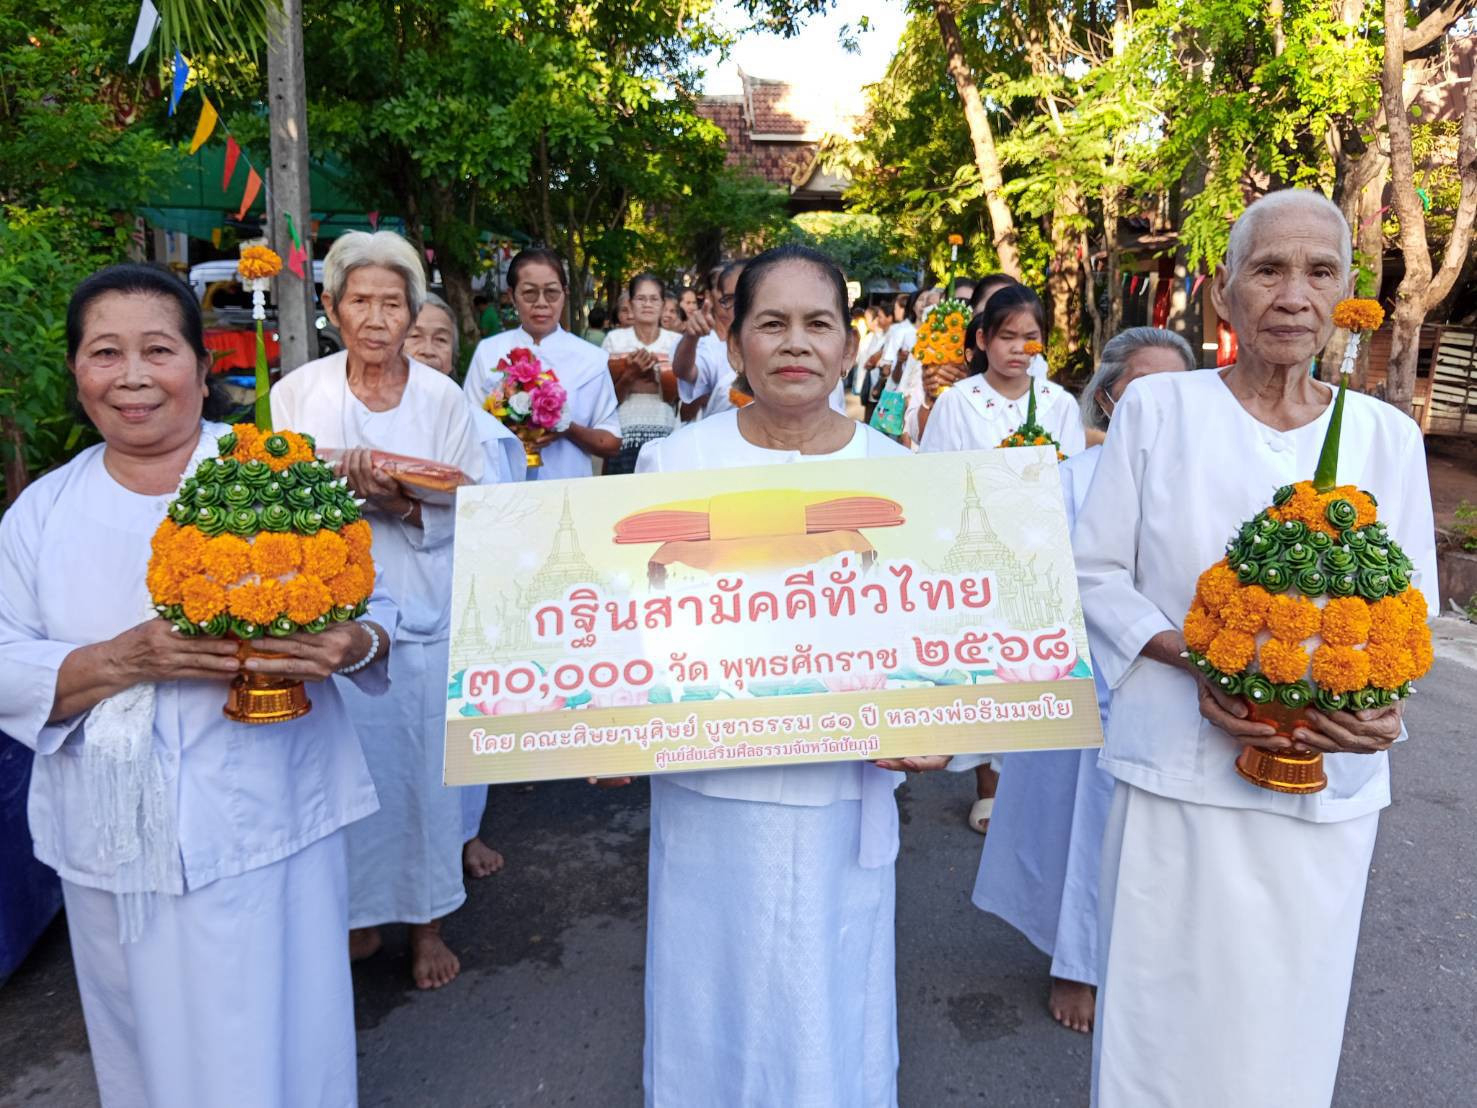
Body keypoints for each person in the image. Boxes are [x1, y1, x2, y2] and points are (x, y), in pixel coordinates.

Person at [1075, 190, 1437, 1106]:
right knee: (1159, 1024)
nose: (1292, 294)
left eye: (1318, 272)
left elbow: (1412, 612)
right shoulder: (1159, 410)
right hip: (1178, 778)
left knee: (1287, 1029)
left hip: (1327, 787)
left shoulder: (1387, 439)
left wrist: (1376, 707)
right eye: (1268, 269)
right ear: (1222, 292)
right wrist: (1195, 655)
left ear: (1346, 292)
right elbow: (1092, 575)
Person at [0, 264, 393, 1106]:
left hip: (271, 823)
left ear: (202, 366)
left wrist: (350, 640)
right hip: (115, 841)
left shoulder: (277, 478)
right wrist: (121, 661)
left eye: (158, 350)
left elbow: (385, 614)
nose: (133, 377)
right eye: (106, 353)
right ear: (77, 371)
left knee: (285, 1040)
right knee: (145, 1053)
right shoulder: (42, 511)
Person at [633, 245, 964, 1105]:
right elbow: (631, 637)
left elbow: (943, 644)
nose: (795, 343)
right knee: (707, 1006)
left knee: (831, 1015)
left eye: (817, 324)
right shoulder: (673, 469)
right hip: (708, 799)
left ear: (848, 347)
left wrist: (941, 736)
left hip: (841, 803)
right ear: (733, 341)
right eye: (770, 323)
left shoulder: (900, 475)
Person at [272, 230, 484, 992]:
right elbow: (282, 499)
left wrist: (397, 502)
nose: (374, 316)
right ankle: (358, 916)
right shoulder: (297, 394)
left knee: (420, 775)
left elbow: (473, 507)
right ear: (331, 308)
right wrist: (346, 494)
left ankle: (426, 922)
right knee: (341, 771)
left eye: (391, 302)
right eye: (359, 299)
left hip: (420, 607)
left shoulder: (441, 399)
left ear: (412, 312)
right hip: (328, 610)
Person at [973, 326, 1194, 1035]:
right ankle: (1076, 962)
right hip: (1082, 683)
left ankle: (1152, 962)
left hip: (1181, 687)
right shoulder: (1063, 478)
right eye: (1140, 391)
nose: (1157, 406)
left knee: (1169, 840)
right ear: (1105, 398)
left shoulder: (1204, 481)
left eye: (1173, 392)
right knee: (1082, 830)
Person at [920, 285, 1085, 834]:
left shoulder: (1058, 402)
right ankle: (987, 786)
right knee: (988, 669)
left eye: (1030, 337)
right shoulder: (957, 401)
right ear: (983, 339)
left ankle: (1033, 789)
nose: (1019, 348)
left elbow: (1073, 477)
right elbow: (937, 475)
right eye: (1007, 336)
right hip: (978, 553)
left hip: (1041, 552)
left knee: (1036, 671)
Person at [405, 293, 519, 881]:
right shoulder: (351, 416)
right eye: (415, 334)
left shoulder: (484, 430)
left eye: (439, 338)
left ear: (456, 352)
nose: (426, 348)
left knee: (463, 720)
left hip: (460, 592)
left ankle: (465, 834)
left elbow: (497, 515)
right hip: (384, 602)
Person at [464, 248, 620, 479]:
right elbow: (467, 428)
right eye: (529, 293)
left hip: (567, 486)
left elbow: (611, 442)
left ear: (565, 294)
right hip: (501, 489)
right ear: (512, 294)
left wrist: (566, 428)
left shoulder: (590, 358)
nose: (541, 303)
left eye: (551, 293)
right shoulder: (489, 352)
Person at [602, 273, 682, 474]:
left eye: (654, 299)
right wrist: (632, 375)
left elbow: (674, 396)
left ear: (663, 304)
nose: (648, 304)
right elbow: (608, 398)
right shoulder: (614, 340)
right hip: (623, 435)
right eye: (641, 298)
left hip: (666, 433)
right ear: (630, 303)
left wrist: (628, 376)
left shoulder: (675, 342)